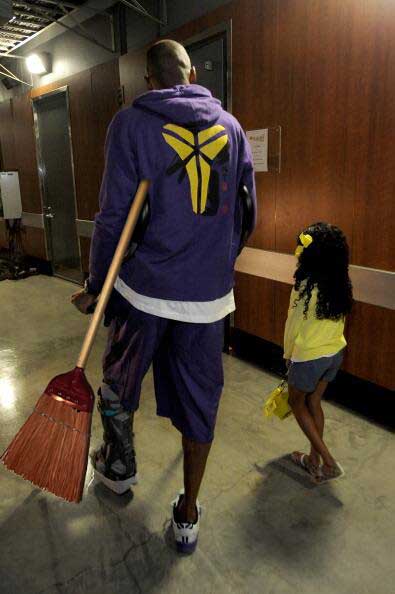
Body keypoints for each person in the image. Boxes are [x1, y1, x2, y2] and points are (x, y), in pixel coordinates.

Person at [71, 39, 256, 553]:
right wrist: (212, 266)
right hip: (209, 300)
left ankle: (120, 467)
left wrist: (95, 286)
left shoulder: (130, 124)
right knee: (201, 404)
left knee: (120, 379)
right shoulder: (234, 129)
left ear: (149, 81)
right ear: (193, 72)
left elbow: (113, 217)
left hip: (143, 289)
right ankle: (189, 513)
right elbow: (246, 213)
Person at [284, 222, 353, 484]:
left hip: (308, 356)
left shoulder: (305, 284)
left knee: (296, 404)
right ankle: (313, 461)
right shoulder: (339, 282)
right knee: (314, 403)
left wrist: (288, 355)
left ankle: (329, 461)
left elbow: (293, 324)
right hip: (334, 352)